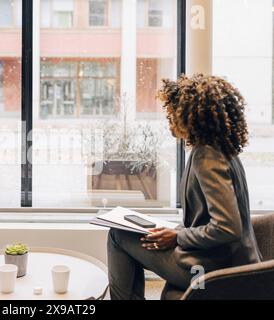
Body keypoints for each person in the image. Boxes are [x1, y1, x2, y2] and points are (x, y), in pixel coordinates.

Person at [107, 74, 262, 300]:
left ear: (192, 116)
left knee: (117, 235)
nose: (169, 118)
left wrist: (178, 237)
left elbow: (228, 228)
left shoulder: (207, 156)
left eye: (173, 113)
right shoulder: (222, 148)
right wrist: (177, 231)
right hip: (226, 260)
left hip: (215, 271)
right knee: (129, 232)